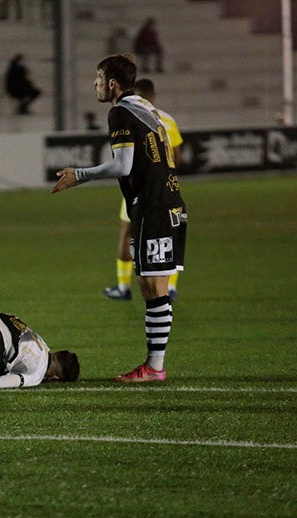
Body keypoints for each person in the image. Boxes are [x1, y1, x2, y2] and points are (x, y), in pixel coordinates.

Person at [52, 54, 187, 384]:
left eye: (98, 78)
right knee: (155, 286)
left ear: (112, 83)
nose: (94, 84)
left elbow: (122, 165)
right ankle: (155, 365)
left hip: (152, 206)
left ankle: (155, 367)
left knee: (152, 287)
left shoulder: (120, 112)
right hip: (171, 203)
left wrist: (79, 174)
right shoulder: (147, 107)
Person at [102, 78, 183, 302]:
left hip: (138, 189)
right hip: (166, 189)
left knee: (127, 234)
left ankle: (123, 287)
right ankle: (171, 287)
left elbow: (123, 159)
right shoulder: (166, 119)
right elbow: (176, 157)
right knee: (168, 236)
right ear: (154, 96)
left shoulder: (128, 116)